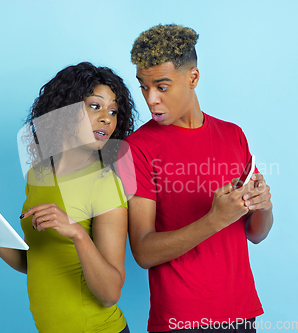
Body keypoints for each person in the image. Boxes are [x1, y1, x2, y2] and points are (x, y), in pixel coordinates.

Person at [118, 24, 273, 332]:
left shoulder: (233, 135)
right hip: (180, 318)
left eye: (162, 87)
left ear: (193, 78)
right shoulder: (136, 148)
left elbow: (256, 233)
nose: (151, 100)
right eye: (144, 87)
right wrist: (215, 219)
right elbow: (144, 251)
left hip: (241, 312)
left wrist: (264, 206)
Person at [0, 62, 137, 333]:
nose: (107, 118)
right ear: (63, 111)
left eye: (113, 111)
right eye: (95, 106)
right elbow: (38, 263)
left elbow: (110, 292)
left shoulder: (105, 184)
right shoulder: (38, 175)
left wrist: (77, 232)